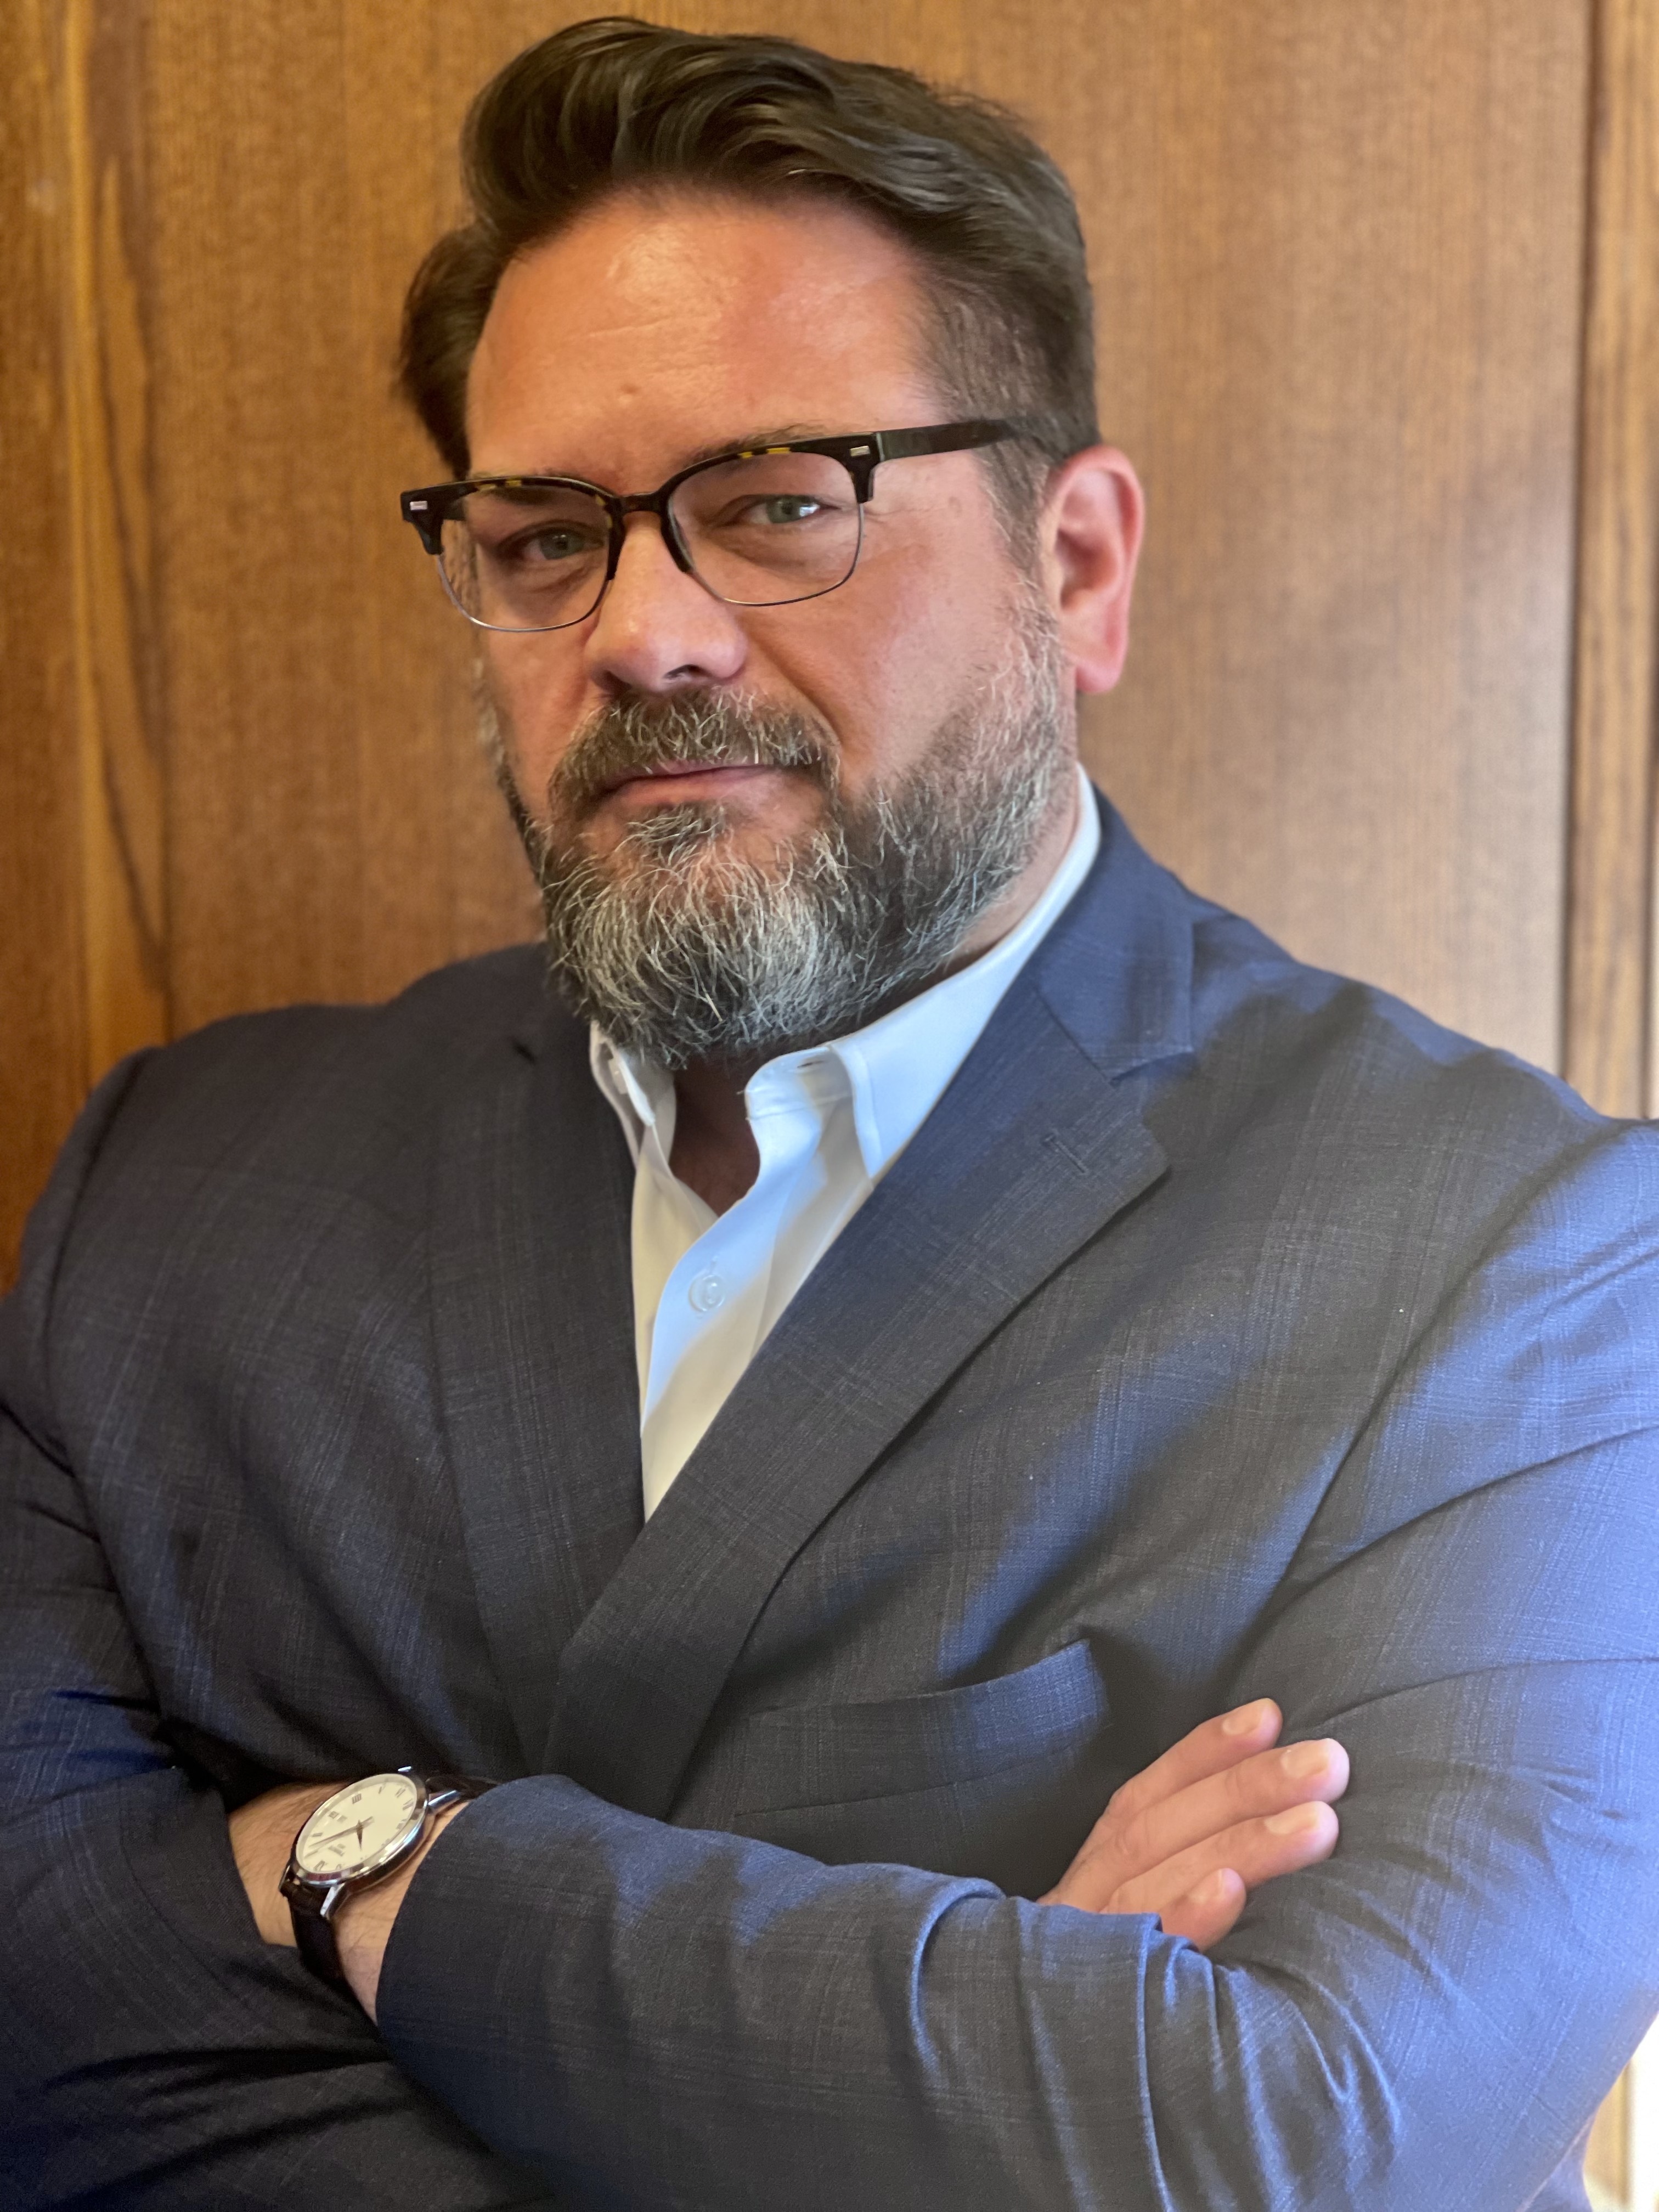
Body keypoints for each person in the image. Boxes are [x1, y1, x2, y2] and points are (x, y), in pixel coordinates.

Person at [2, 17, 1656, 2210]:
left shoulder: (1515, 1264)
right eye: (539, 538)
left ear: (1073, 569)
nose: (644, 631)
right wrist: (992, 2055)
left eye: (780, 507)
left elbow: (1315, 2143)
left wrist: (362, 1865)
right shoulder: (180, 1194)